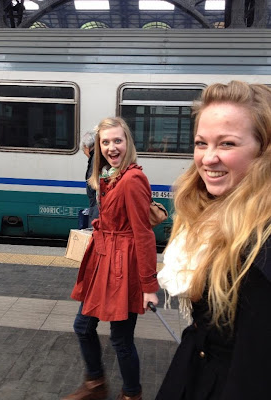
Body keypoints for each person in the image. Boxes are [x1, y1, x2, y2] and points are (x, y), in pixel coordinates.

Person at [156, 80, 271, 400]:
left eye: (227, 144)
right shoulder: (209, 215)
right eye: (201, 143)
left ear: (265, 150)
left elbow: (253, 374)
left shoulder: (260, 248)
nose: (207, 159)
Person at [62, 117, 159, 400]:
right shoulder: (107, 175)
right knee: (83, 326)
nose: (112, 147)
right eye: (106, 142)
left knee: (121, 339)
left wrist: (149, 286)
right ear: (99, 146)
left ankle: (131, 394)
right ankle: (95, 384)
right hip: (102, 259)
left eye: (118, 140)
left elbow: (143, 234)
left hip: (123, 266)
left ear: (128, 143)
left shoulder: (132, 179)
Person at [80, 130, 99, 227]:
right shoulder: (97, 156)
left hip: (97, 207)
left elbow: (93, 185)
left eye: (83, 150)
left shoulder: (95, 159)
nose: (84, 153)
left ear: (86, 147)